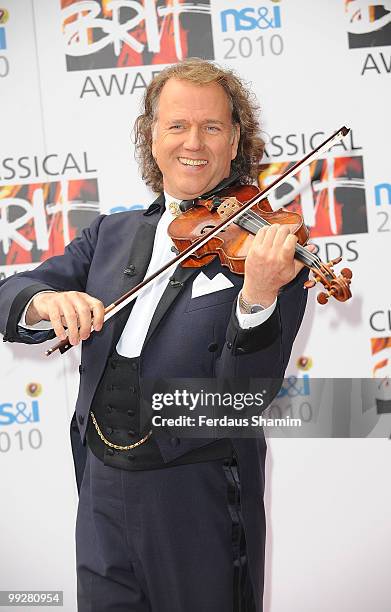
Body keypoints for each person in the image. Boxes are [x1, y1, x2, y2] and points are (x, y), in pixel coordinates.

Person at [0, 59, 312, 612]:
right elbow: (13, 293)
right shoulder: (110, 233)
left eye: (212, 127)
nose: (193, 142)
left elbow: (243, 400)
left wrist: (258, 297)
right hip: (99, 492)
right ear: (152, 134)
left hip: (199, 497)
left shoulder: (270, 248)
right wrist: (43, 300)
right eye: (176, 125)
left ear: (235, 138)